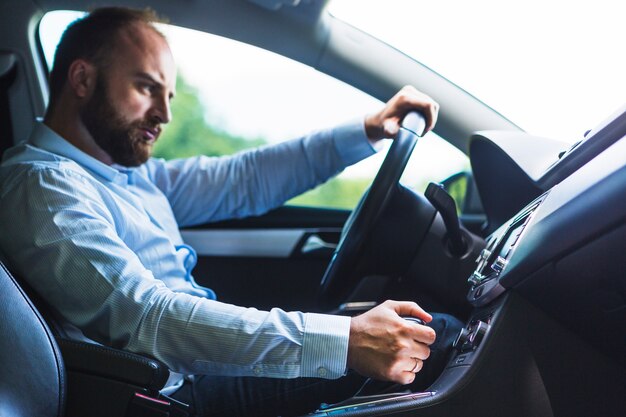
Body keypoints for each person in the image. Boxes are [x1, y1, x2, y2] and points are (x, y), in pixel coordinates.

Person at [0, 7, 461, 417]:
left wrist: (367, 131)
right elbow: (148, 320)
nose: (163, 114)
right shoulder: (42, 185)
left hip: (198, 372)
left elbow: (245, 179)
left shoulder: (124, 173)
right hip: (175, 395)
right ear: (82, 80)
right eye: (146, 88)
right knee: (436, 338)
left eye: (169, 97)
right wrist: (343, 341)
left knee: (419, 335)